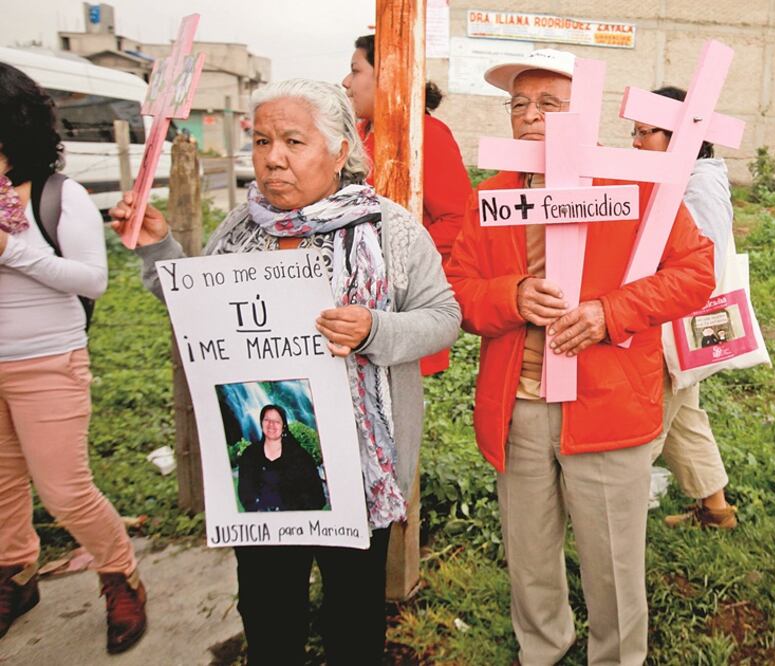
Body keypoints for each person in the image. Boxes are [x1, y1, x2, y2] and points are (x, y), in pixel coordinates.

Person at [110, 78, 460, 664]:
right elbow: (200, 313)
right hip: (262, 470)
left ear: (340, 149)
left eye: (294, 141)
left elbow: (444, 317)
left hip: (359, 471)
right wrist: (159, 248)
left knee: (353, 617)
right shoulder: (242, 230)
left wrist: (375, 329)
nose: (274, 158)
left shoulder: (390, 229)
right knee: (270, 615)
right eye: (264, 141)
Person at [446, 50, 715, 665]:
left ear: (585, 117)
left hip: (608, 405)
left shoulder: (638, 188)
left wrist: (607, 313)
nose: (530, 117)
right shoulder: (490, 196)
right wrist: (509, 295)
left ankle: (617, 657)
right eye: (519, 104)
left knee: (614, 557)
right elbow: (457, 290)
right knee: (529, 551)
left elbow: (695, 273)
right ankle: (541, 646)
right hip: (518, 406)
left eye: (548, 105)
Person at [0, 62, 147, 654]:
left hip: (46, 362)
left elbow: (92, 280)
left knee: (65, 491)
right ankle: (16, 573)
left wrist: (13, 251)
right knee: (3, 485)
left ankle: (120, 574)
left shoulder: (62, 195)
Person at [632, 85, 738, 530]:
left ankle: (619, 517)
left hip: (677, 325)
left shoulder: (700, 184)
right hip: (678, 326)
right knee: (686, 419)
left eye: (645, 133)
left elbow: (700, 262)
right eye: (634, 133)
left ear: (679, 135)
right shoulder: (685, 177)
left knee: (645, 424)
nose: (635, 143)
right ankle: (716, 512)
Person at [343, 33, 473, 375]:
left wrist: (395, 261)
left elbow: (458, 221)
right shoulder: (359, 132)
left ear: (386, 75)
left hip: (401, 309)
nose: (346, 82)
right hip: (353, 313)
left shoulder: (427, 134)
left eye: (355, 71)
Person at [236, 405, 326, 513]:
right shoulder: (250, 455)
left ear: (283, 426)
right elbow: (245, 491)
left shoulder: (300, 457)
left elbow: (316, 495)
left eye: (277, 421)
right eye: (267, 420)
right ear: (261, 423)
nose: (271, 425)